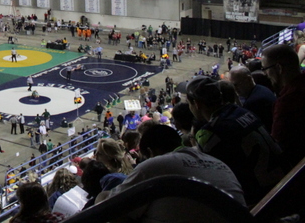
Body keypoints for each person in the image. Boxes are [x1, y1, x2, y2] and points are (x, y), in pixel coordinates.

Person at [101, 123, 245, 214]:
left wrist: (101, 197)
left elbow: (111, 207)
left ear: (151, 152)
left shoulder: (154, 165)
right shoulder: (215, 161)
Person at [186, 76, 285, 205]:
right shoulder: (243, 112)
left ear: (196, 104)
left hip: (260, 201)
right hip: (282, 184)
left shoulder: (210, 132)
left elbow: (212, 179)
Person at [261, 43, 305, 164]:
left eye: (265, 69)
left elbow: (278, 150)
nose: (265, 74)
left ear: (279, 68)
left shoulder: (287, 103)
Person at [228, 65, 276, 133]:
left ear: (248, 79)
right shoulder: (261, 88)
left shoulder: (254, 102)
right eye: (232, 86)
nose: (235, 89)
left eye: (237, 84)